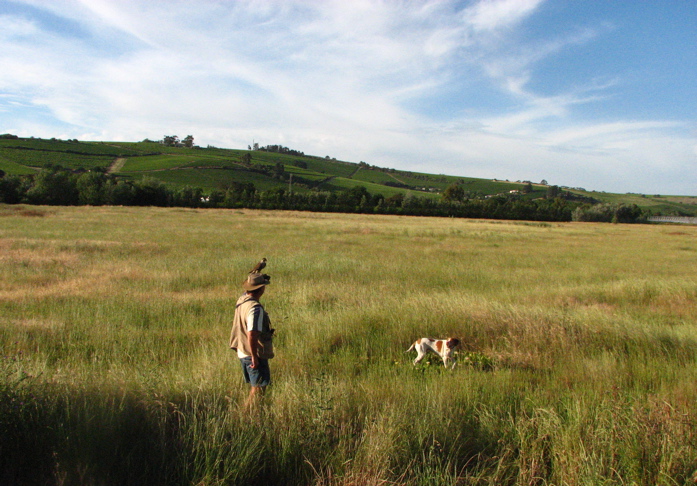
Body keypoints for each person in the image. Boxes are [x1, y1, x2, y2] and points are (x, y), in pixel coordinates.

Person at [229, 272, 272, 410]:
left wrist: (256, 271)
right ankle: (245, 414)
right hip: (252, 353)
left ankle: (251, 413)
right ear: (261, 289)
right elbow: (252, 334)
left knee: (257, 387)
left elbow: (246, 290)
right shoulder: (255, 308)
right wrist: (254, 357)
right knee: (258, 389)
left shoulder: (242, 300)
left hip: (242, 350)